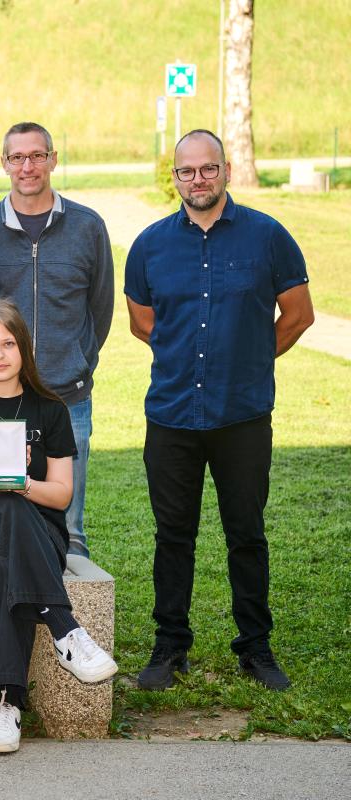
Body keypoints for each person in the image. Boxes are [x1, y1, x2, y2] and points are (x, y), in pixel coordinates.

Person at [125, 129, 313, 692]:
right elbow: (142, 322)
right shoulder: (150, 245)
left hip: (243, 416)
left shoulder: (268, 236)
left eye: (208, 168)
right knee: (172, 536)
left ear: (226, 170)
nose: (198, 179)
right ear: (175, 178)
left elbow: (298, 314)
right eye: (187, 171)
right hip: (172, 416)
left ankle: (255, 647)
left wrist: (250, 359)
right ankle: (170, 646)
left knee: (246, 534)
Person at [0, 299, 118, 754]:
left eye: (8, 344)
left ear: (24, 348)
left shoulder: (49, 408)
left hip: (36, 536)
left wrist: (25, 484)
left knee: (10, 550)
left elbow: (61, 494)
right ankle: (64, 628)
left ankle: (6, 704)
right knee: (5, 506)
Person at [0, 122, 114, 561]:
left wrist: (77, 360)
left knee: (70, 527)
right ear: (4, 163)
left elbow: (100, 306)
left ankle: (71, 601)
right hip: (0, 398)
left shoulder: (87, 226)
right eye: (17, 157)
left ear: (53, 159)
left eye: (37, 156)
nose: (27, 166)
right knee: (1, 514)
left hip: (68, 396)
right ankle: (5, 605)